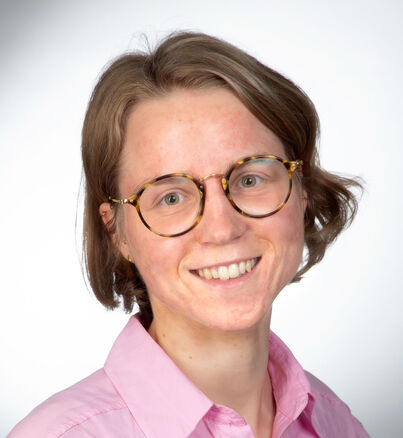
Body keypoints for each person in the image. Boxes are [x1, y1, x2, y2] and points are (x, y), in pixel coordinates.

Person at [8, 31, 370, 438]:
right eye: (171, 197)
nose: (222, 229)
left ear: (301, 189)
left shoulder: (340, 426)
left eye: (249, 179)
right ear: (116, 231)